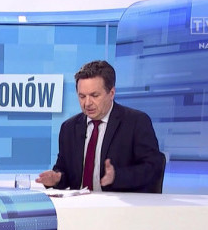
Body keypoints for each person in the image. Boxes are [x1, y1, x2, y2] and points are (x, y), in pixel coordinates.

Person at [36, 60, 164, 193]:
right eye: (82, 96)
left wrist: (117, 176)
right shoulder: (69, 128)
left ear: (111, 93)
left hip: (118, 202)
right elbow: (65, 172)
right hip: (78, 203)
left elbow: (153, 168)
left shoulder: (136, 122)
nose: (87, 103)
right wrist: (57, 179)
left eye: (94, 95)